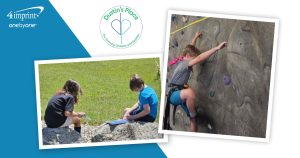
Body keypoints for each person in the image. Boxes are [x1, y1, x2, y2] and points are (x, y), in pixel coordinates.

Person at [168, 31, 227, 132]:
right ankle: (193, 114)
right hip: (173, 94)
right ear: (187, 56)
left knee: (193, 120)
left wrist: (195, 37)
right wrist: (216, 48)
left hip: (179, 92)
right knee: (190, 93)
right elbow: (199, 57)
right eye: (192, 59)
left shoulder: (183, 59)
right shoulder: (185, 63)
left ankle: (193, 122)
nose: (194, 62)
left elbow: (190, 48)